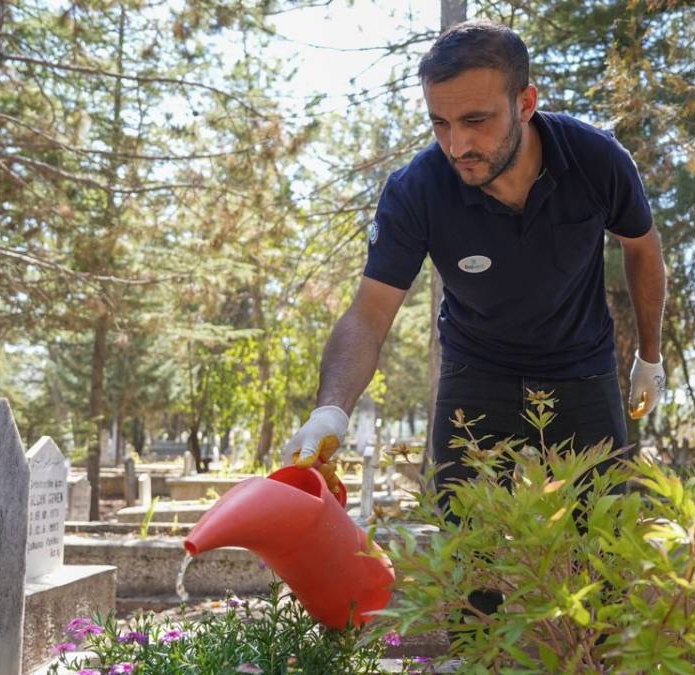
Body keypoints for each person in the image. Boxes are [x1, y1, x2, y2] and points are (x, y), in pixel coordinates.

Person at [283, 21, 666, 610]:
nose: (457, 145)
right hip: (476, 373)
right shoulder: (418, 190)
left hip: (582, 369)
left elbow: (642, 248)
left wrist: (649, 357)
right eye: (440, 123)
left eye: (476, 121)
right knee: (468, 559)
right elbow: (369, 313)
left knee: (607, 551)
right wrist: (332, 407)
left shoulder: (595, 160)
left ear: (527, 104)